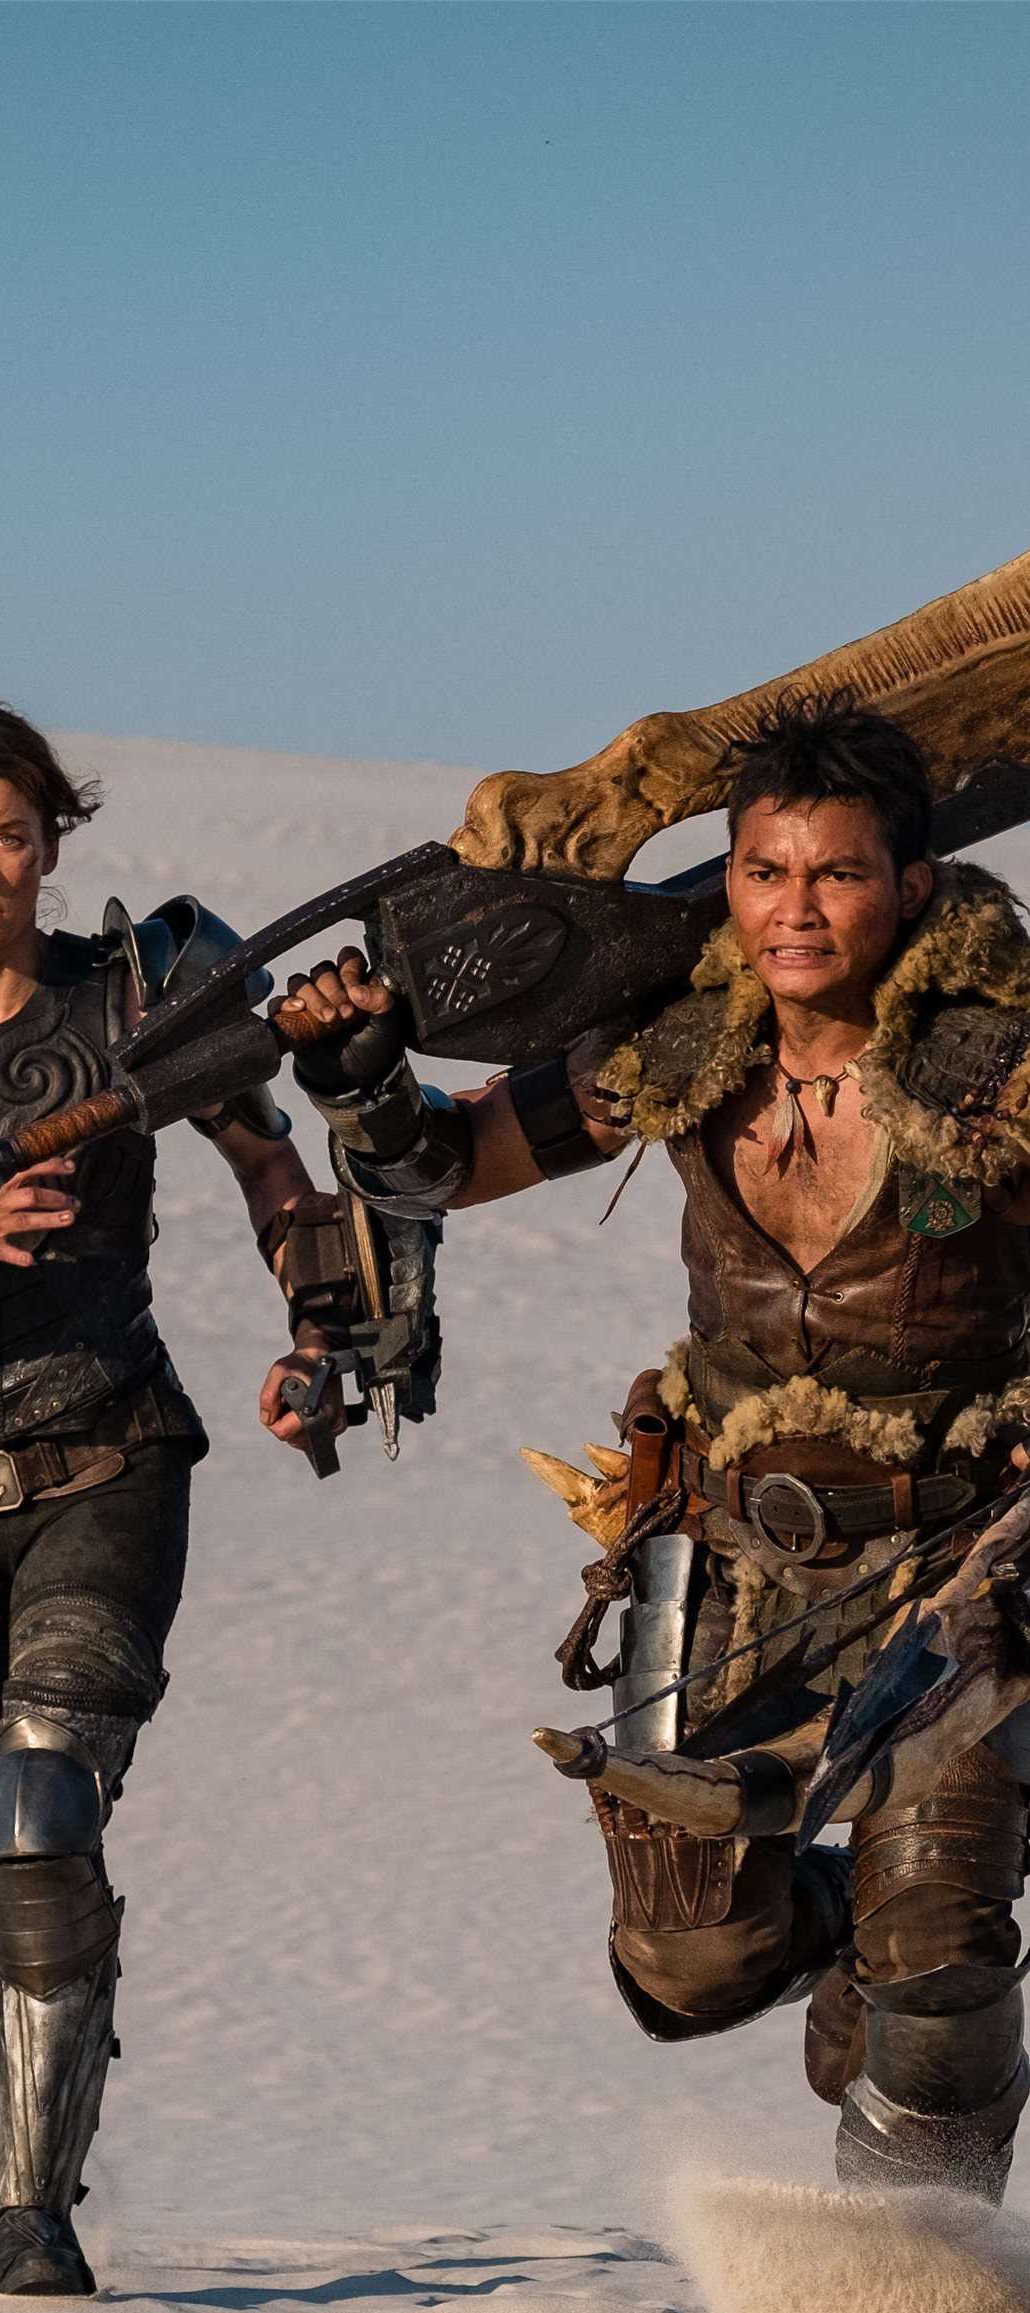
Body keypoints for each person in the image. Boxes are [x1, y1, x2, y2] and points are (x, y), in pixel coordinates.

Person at [282, 693, 1030, 2207]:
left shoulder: (995, 1071)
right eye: (764, 872)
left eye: (835, 874)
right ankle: (849, 1921)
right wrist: (363, 1081)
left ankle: (911, 2284)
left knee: (942, 1957)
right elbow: (446, 1169)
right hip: (732, 1551)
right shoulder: (682, 1047)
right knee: (687, 1962)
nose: (794, 910)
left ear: (909, 886)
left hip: (951, 1560)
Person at [0, 701, 337, 2295]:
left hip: (107, 1457)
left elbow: (273, 1170)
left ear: (51, 845)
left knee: (40, 1822)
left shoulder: (135, 1003)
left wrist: (318, 1331)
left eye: (8, 840)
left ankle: (29, 2218)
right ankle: (60, 2006)